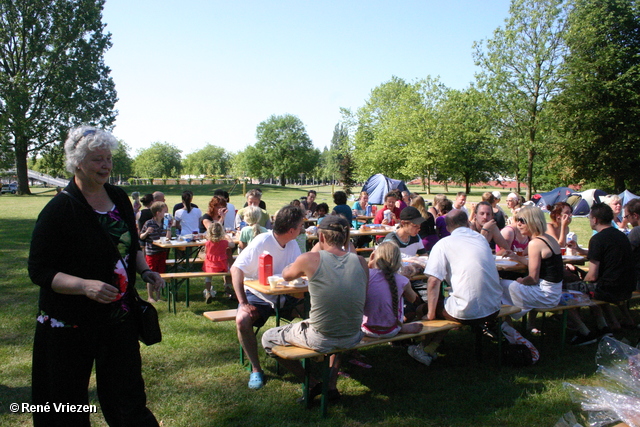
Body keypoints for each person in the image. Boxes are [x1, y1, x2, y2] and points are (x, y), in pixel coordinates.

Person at [28, 125, 162, 426]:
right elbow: (39, 270)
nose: (106, 165)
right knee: (64, 405)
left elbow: (130, 245)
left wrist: (145, 270)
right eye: (97, 160)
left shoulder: (118, 197)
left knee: (127, 399)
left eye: (108, 158)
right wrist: (83, 286)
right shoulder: (59, 209)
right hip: (69, 322)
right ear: (77, 163)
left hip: (119, 318)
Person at [262, 215, 369, 402]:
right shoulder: (360, 262)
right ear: (345, 238)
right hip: (353, 333)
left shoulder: (309, 259)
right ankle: (331, 385)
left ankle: (311, 383)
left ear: (321, 237)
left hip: (321, 336)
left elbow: (287, 275)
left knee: (268, 338)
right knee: (336, 327)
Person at [408, 209, 503, 366]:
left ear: (447, 226)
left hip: (469, 310)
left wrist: (430, 314)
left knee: (424, 310)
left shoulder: (444, 244)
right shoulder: (480, 239)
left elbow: (433, 281)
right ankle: (432, 347)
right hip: (494, 307)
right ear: (467, 222)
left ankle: (423, 349)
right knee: (446, 305)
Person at [231, 205, 305, 390]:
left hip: (284, 295)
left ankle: (320, 355)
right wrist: (243, 303)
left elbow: (297, 272)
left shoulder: (293, 244)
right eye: (300, 225)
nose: (302, 228)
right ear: (291, 230)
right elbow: (235, 269)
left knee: (314, 309)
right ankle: (256, 369)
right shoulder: (262, 240)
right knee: (242, 320)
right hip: (258, 296)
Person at [566, 203, 636, 342]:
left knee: (561, 291)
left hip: (608, 289)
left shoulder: (598, 239)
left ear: (595, 220)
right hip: (627, 287)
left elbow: (591, 277)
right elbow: (605, 254)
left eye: (590, 218)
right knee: (592, 287)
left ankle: (584, 332)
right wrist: (580, 250)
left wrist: (579, 281)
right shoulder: (621, 236)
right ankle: (604, 326)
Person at [500, 207, 563, 323]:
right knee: (505, 286)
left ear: (533, 221)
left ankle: (504, 328)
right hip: (554, 293)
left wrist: (521, 281)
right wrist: (516, 257)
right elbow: (538, 264)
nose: (518, 224)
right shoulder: (548, 238)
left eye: (522, 220)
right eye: (517, 220)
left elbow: (533, 279)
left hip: (544, 295)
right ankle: (510, 326)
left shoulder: (535, 243)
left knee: (498, 285)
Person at [362, 242, 423, 338]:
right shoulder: (402, 280)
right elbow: (414, 300)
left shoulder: (366, 275)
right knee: (403, 300)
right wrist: (406, 282)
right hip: (391, 330)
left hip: (366, 329)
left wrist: (370, 264)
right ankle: (400, 327)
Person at [139, 201, 171, 302]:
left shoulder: (164, 222)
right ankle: (150, 296)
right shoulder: (149, 223)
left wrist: (169, 227)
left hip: (162, 251)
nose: (166, 213)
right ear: (158, 213)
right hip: (151, 252)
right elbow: (141, 236)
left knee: (160, 274)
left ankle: (158, 297)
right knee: (151, 274)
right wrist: (147, 232)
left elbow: (167, 238)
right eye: (165, 211)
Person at [202, 221, 235, 303]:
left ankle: (208, 291)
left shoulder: (208, 243)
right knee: (228, 269)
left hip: (210, 267)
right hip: (222, 266)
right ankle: (228, 286)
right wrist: (228, 238)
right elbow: (232, 245)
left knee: (208, 277)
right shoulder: (224, 242)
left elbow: (205, 252)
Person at [625, 199, 640, 291]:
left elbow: (624, 252)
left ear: (635, 216)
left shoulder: (636, 231)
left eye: (627, 216)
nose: (627, 219)